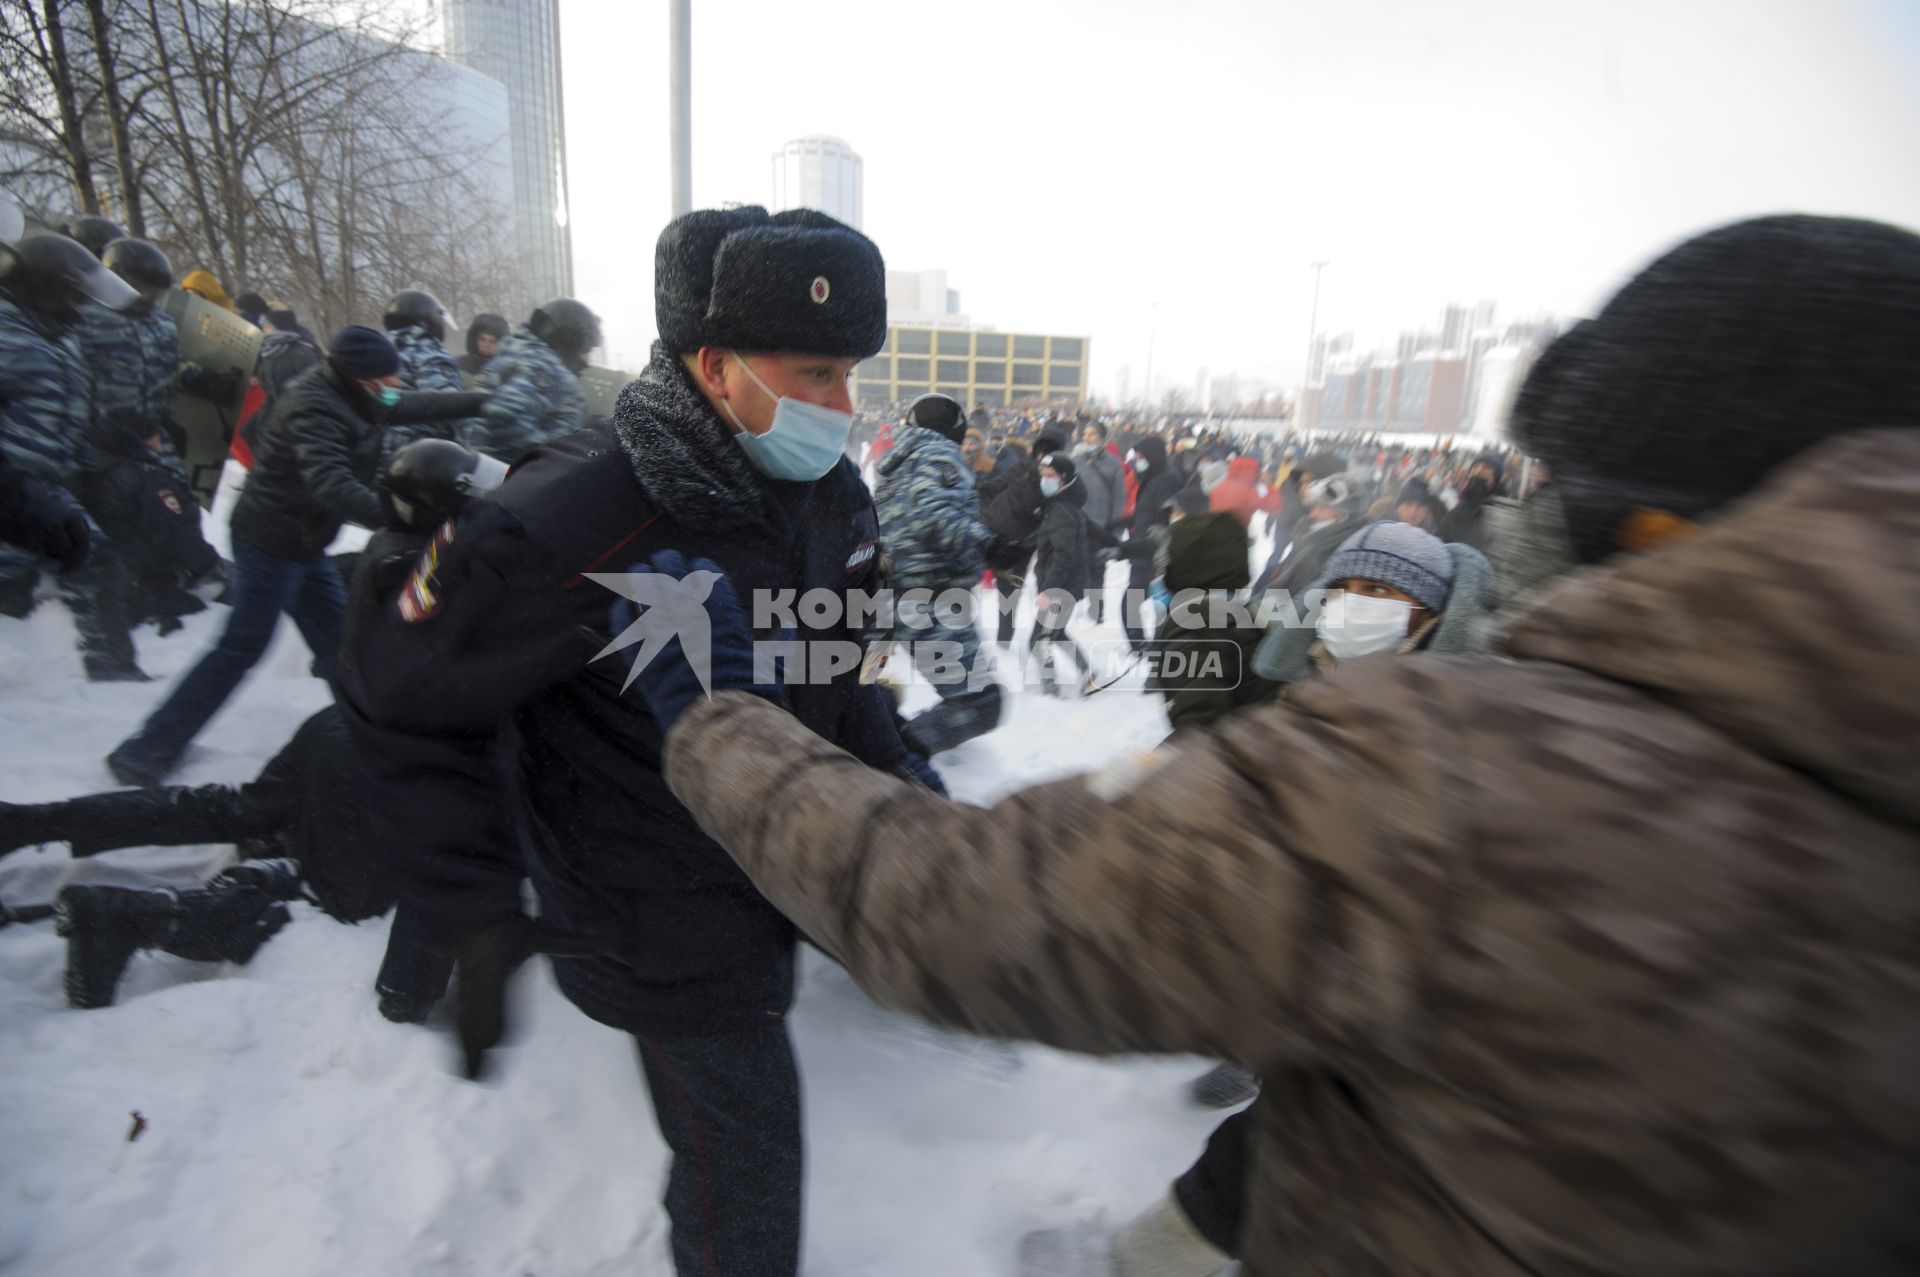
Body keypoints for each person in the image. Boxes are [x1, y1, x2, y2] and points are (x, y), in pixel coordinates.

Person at [612, 213, 1920, 1277]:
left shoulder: (1467, 770)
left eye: (1555, 489)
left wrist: (718, 717)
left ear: (1643, 515)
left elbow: (966, 910)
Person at [338, 205, 931, 1277]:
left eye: (853, 375)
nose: (845, 408)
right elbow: (398, 689)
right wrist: (465, 902)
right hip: (651, 899)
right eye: (816, 375)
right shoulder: (573, 516)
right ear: (715, 364)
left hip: (788, 851)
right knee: (746, 1168)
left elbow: (842, 674)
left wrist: (911, 799)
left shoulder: (834, 496)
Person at [0, 439, 507, 1013]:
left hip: (339, 732)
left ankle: (35, 822)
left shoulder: (400, 553)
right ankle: (134, 917)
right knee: (331, 903)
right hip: (382, 768)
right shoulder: (437, 571)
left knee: (232, 807)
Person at [106, 326, 485, 786]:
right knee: (242, 646)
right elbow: (329, 482)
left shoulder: (356, 393)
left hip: (303, 544)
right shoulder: (315, 406)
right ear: (360, 379)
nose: (396, 387)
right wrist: (400, 517)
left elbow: (406, 405)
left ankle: (373, 739)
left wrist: (478, 400)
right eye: (387, 380)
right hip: (270, 541)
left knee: (345, 649)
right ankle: (148, 749)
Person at [0, 231, 148, 677]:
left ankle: (114, 670)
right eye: (75, 298)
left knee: (96, 561)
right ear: (45, 292)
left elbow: (65, 417)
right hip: (12, 495)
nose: (82, 310)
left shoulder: (60, 342)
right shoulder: (6, 340)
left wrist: (109, 449)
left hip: (41, 496)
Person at [876, 391, 1006, 755]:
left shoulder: (895, 463)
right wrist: (988, 544)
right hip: (931, 597)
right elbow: (931, 513)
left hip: (899, 597)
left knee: (969, 699)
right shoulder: (937, 453)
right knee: (979, 704)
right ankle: (893, 760)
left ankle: (888, 748)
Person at [461, 299, 598, 462]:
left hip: (496, 473)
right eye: (586, 348)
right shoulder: (542, 366)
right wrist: (551, 458)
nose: (587, 360)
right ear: (570, 339)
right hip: (515, 479)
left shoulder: (516, 354)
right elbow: (505, 415)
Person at [1027, 450, 1112, 696]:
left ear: (1063, 479)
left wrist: (1048, 591)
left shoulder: (1062, 511)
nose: (1045, 480)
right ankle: (1089, 674)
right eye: (1043, 475)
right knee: (1056, 633)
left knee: (1038, 640)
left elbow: (1064, 556)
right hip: (1068, 585)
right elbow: (1091, 534)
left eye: (1050, 476)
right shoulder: (1063, 506)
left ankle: (1051, 691)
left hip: (1060, 588)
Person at [380, 289, 465, 462]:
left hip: (373, 452)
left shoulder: (375, 349)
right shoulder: (429, 352)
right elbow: (448, 409)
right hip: (417, 457)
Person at [1118, 436, 1184, 648]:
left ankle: (1156, 646)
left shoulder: (1165, 481)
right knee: (1137, 602)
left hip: (1156, 554)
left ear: (1153, 457)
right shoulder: (1148, 480)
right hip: (1141, 550)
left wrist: (1157, 535)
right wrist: (1120, 523)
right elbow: (1145, 515)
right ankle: (1144, 645)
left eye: (1141, 457)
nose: (1138, 461)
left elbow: (1170, 515)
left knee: (1154, 603)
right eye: (1136, 457)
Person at [1441, 451, 1507, 551]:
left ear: (1495, 477)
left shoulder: (1502, 511)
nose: (1478, 471)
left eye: (1486, 468)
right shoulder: (1461, 507)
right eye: (1475, 467)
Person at [457, 311, 509, 377]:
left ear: (501, 343)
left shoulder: (506, 370)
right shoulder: (460, 364)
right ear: (474, 339)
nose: (486, 345)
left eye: (492, 341)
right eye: (482, 339)